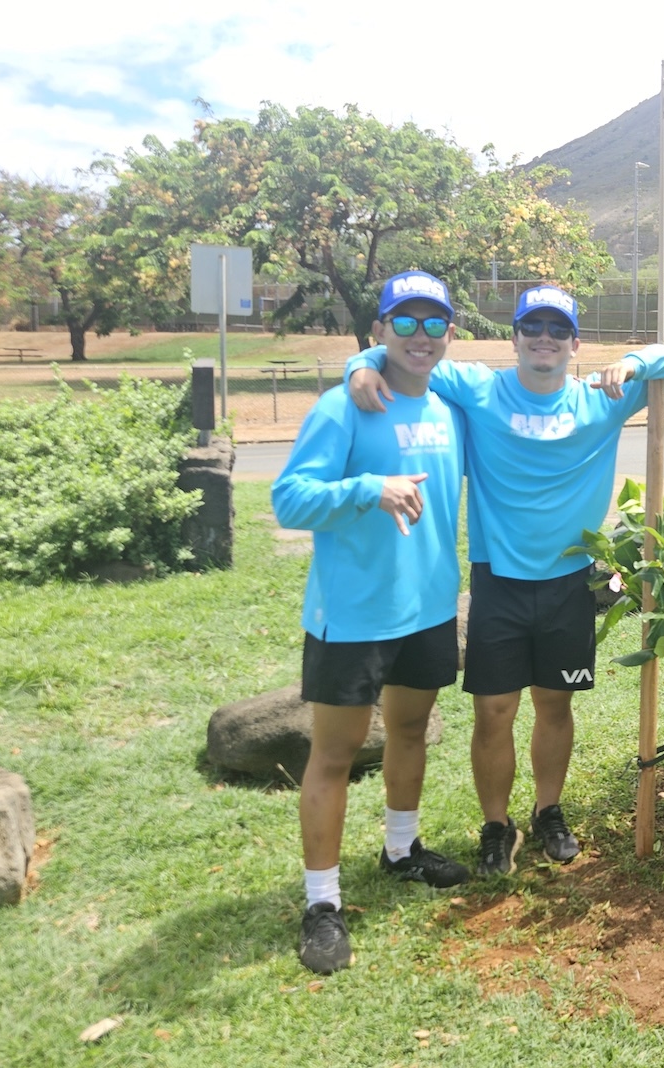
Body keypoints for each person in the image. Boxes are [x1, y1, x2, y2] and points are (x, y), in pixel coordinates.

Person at [344, 284, 664, 877]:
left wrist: (635, 360)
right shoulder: (479, 389)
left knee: (555, 707)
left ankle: (549, 811)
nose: (545, 340)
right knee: (494, 711)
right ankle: (497, 826)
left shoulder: (600, 400)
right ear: (516, 338)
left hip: (570, 583)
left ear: (575, 344)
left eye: (558, 330)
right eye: (533, 328)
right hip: (498, 581)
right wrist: (359, 364)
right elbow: (403, 354)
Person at [272, 270, 473, 976]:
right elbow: (289, 501)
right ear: (381, 329)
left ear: (450, 333)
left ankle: (400, 850)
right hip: (351, 617)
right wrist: (369, 489)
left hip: (425, 612)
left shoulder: (451, 406)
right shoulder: (343, 407)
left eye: (434, 324)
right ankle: (322, 903)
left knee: (412, 730)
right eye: (405, 322)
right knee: (334, 753)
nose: (420, 337)